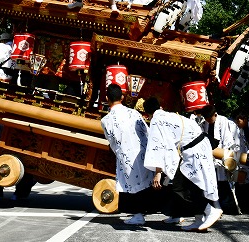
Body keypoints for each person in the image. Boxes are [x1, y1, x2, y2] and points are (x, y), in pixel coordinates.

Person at [143, 97, 222, 231]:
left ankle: (209, 210)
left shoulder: (157, 120)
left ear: (148, 114)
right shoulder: (168, 114)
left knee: (179, 186)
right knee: (193, 184)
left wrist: (158, 172)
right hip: (199, 146)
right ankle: (198, 219)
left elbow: (158, 147)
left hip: (194, 150)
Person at [100, 84, 155, 225]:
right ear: (122, 97)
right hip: (143, 153)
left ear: (107, 98)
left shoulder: (106, 120)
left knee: (131, 184)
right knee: (147, 182)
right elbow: (147, 131)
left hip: (126, 156)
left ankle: (138, 214)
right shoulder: (134, 113)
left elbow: (111, 140)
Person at [194, 105, 240, 214]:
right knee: (210, 182)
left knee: (224, 181)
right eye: (206, 118)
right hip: (209, 156)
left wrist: (222, 155)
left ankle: (229, 207)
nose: (208, 121)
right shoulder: (203, 124)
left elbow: (227, 139)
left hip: (222, 154)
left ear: (215, 114)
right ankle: (215, 206)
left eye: (210, 118)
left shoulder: (223, 121)